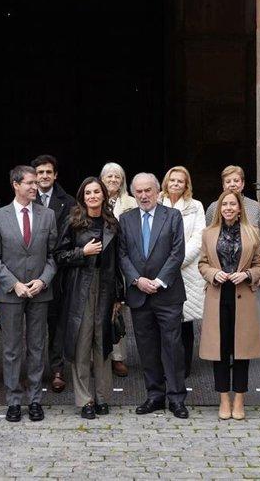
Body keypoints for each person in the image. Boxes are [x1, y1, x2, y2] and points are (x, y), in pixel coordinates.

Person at [0, 165, 58, 422]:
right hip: (11, 293)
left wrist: (43, 280)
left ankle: (35, 400)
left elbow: (53, 256)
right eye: (29, 182)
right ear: (16, 185)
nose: (34, 186)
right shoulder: (0, 216)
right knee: (12, 349)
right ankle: (14, 401)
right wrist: (13, 283)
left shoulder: (47, 215)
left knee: (37, 348)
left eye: (35, 182)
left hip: (39, 292)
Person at [118, 172, 189, 419]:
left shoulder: (172, 216)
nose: (144, 195)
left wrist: (158, 282)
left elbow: (177, 252)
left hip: (167, 294)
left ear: (158, 191)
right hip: (139, 295)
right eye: (138, 191)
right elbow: (122, 255)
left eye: (148, 190)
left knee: (172, 347)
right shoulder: (125, 219)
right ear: (133, 193)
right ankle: (155, 396)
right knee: (146, 348)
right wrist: (138, 280)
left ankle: (177, 398)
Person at [55, 177, 123, 419]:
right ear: (82, 197)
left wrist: (119, 296)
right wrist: (82, 252)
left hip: (105, 288)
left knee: (103, 344)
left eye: (97, 192)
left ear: (103, 195)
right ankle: (85, 400)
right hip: (80, 287)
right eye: (88, 193)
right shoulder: (73, 222)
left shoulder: (112, 223)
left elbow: (118, 263)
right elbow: (59, 255)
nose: (93, 196)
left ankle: (104, 398)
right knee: (82, 345)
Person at [198, 191, 260, 421]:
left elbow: (259, 266)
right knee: (220, 349)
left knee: (241, 351)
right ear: (219, 208)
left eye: (232, 204)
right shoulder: (208, 233)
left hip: (242, 295)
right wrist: (214, 273)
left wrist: (246, 274)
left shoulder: (252, 232)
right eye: (224, 204)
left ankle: (239, 399)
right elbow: (202, 264)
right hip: (218, 296)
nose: (227, 207)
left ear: (239, 208)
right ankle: (224, 399)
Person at [32, 154, 76, 394]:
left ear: (55, 175)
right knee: (33, 325)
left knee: (58, 324)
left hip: (59, 274)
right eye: (40, 173)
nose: (44, 176)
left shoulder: (68, 202)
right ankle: (35, 371)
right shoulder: (25, 199)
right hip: (30, 272)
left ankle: (58, 370)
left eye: (48, 172)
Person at [159, 166, 206, 377]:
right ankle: (162, 365)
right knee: (161, 320)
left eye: (180, 181)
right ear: (166, 183)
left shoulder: (196, 206)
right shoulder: (157, 203)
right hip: (159, 270)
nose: (176, 184)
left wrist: (175, 262)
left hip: (186, 269)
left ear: (187, 185)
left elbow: (199, 238)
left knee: (185, 321)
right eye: (172, 180)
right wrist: (164, 265)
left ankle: (184, 366)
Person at [100, 162, 137, 378]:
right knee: (96, 312)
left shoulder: (131, 203)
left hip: (121, 263)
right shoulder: (94, 198)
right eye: (109, 176)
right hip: (99, 264)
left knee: (117, 312)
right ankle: (99, 357)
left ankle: (118, 358)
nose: (113, 180)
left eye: (118, 177)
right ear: (102, 179)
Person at [205, 165, 260, 257]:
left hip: (250, 264)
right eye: (228, 181)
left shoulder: (254, 206)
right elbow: (207, 238)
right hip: (221, 264)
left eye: (236, 181)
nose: (232, 184)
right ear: (223, 185)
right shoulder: (213, 208)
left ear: (243, 184)